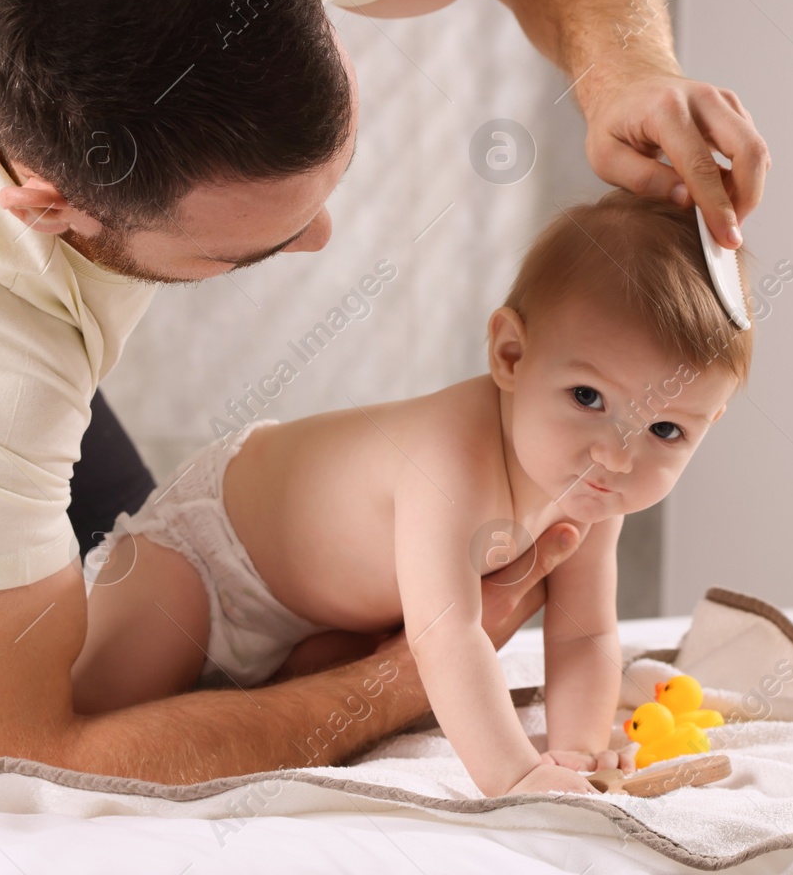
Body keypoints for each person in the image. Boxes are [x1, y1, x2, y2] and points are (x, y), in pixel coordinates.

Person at [0, 0, 768, 791]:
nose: (324, 236)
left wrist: (624, 67)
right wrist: (401, 680)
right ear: (53, 212)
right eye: (255, 245)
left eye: (336, 164)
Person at [72, 191, 752, 795]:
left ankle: (258, 681)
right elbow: (447, 637)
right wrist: (516, 776)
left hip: (319, 623)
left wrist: (574, 751)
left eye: (666, 428)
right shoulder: (452, 454)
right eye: (587, 397)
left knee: (315, 695)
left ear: (709, 424)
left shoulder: (594, 486)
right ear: (511, 355)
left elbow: (585, 632)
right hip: (208, 555)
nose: (617, 453)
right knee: (95, 728)